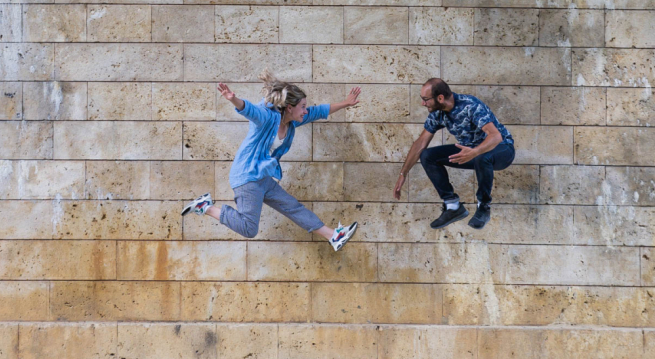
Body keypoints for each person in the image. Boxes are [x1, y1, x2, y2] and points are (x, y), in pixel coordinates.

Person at [182, 72, 361, 250]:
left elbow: (318, 111)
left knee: (292, 207)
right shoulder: (267, 118)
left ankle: (334, 236)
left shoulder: (292, 121)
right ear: (290, 107)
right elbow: (250, 110)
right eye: (303, 106)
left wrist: (346, 103)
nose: (306, 110)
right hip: (247, 177)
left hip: (263, 177)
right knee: (249, 229)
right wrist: (233, 99)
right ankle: (206, 207)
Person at [393, 77, 515, 229]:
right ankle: (453, 207)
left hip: (501, 150)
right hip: (470, 152)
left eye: (425, 99)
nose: (423, 104)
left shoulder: (470, 105)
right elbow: (420, 143)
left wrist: (474, 152)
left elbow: (495, 136)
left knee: (483, 157)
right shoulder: (438, 113)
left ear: (440, 98)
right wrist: (403, 174)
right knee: (428, 156)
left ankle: (483, 206)